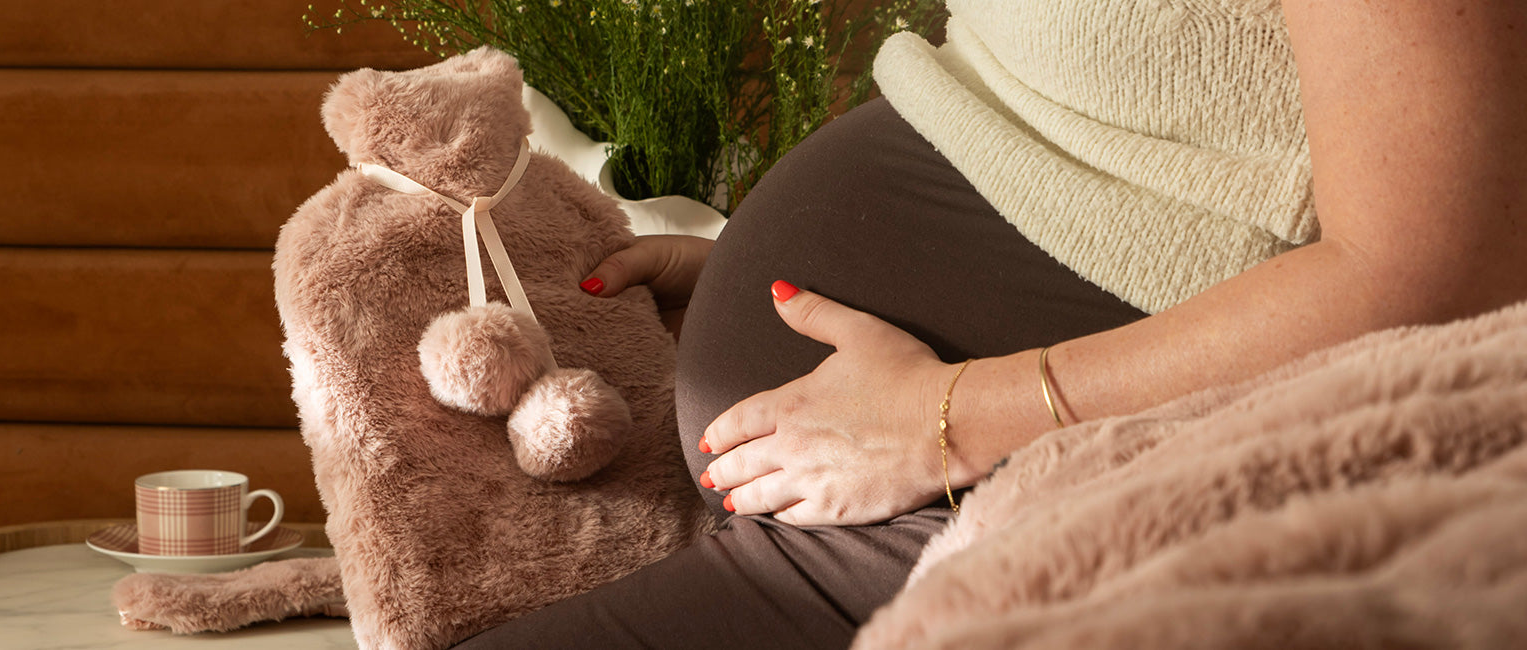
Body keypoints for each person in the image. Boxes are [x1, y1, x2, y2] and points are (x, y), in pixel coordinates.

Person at [456, 0, 1527, 647]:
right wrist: (748, 257)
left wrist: (949, 415)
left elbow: (1437, 272)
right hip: (851, 451)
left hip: (997, 486)